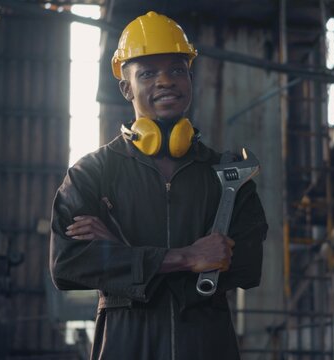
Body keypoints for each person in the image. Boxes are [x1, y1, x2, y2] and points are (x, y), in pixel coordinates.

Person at [49, 11, 268, 360]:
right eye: (148, 73)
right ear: (126, 87)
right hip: (125, 344)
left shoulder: (227, 174)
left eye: (177, 70)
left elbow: (246, 265)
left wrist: (121, 251)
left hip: (207, 344)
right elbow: (68, 266)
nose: (166, 81)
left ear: (190, 80)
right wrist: (186, 258)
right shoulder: (90, 174)